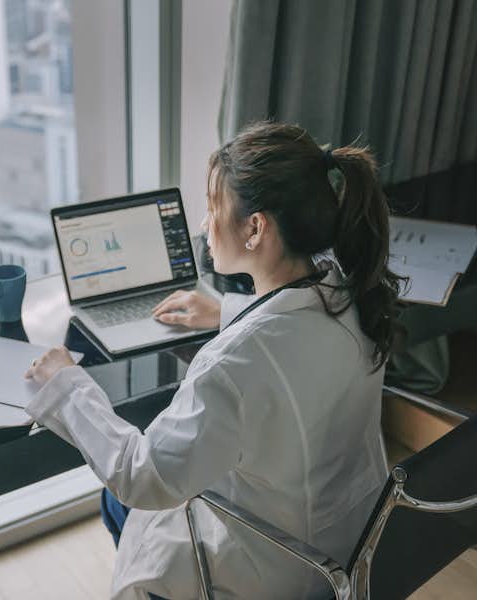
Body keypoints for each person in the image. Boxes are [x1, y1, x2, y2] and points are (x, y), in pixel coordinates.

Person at [24, 121, 402, 599]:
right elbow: (292, 335)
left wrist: (68, 387)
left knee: (118, 503)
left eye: (213, 207)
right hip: (349, 545)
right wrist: (226, 308)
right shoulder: (352, 297)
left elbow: (142, 478)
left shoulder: (232, 363)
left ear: (256, 227)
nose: (205, 224)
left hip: (275, 571)